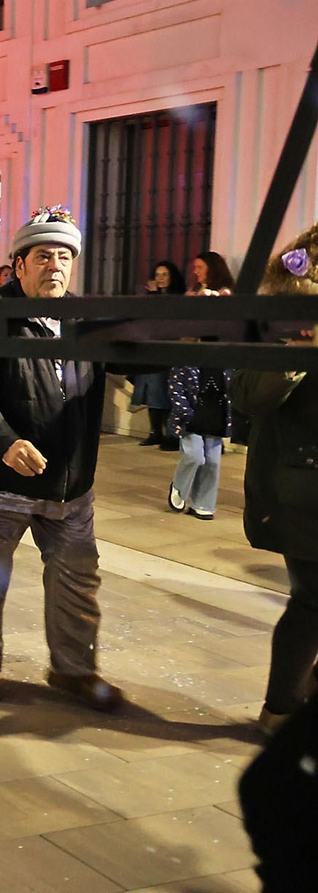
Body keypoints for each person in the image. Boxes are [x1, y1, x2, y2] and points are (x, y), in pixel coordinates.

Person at [0, 208, 122, 712]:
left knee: (77, 580)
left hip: (70, 484)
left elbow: (136, 354)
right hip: (0, 481)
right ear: (18, 265)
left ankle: (73, 671)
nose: (55, 265)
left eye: (64, 256)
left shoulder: (82, 318)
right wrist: (6, 441)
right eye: (43, 255)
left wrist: (190, 327)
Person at [234, 225, 318, 739]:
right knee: (311, 600)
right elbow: (248, 397)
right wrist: (294, 348)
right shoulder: (279, 323)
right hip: (299, 494)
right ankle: (282, 708)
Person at [166, 364, 230, 521]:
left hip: (215, 418)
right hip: (191, 420)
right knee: (194, 455)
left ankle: (203, 505)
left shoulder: (227, 364)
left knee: (213, 463)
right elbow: (176, 392)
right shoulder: (185, 363)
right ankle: (179, 488)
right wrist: (188, 414)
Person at [132, 261, 186, 447]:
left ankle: (171, 434)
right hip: (152, 348)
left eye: (164, 274)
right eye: (157, 275)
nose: (160, 279)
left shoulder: (177, 298)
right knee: (153, 392)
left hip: (170, 348)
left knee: (167, 392)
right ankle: (155, 432)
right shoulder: (151, 296)